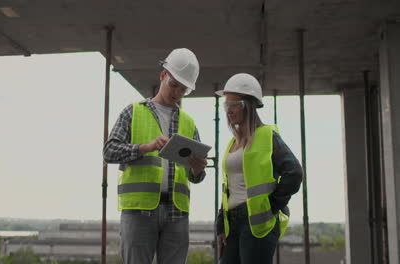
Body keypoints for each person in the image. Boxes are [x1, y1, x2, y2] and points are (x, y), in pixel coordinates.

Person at [103, 48, 208, 264]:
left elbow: (194, 177)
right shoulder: (132, 112)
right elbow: (109, 152)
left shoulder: (189, 123)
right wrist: (144, 147)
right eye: (174, 84)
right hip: (139, 212)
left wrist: (198, 170)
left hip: (176, 213)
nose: (177, 92)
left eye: (183, 89)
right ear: (162, 76)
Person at [215, 73, 303, 264]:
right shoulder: (233, 143)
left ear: (248, 105)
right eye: (226, 105)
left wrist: (271, 205)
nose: (228, 110)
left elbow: (294, 173)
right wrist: (221, 225)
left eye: (233, 104)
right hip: (232, 223)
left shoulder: (266, 136)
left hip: (256, 223)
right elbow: (229, 187)